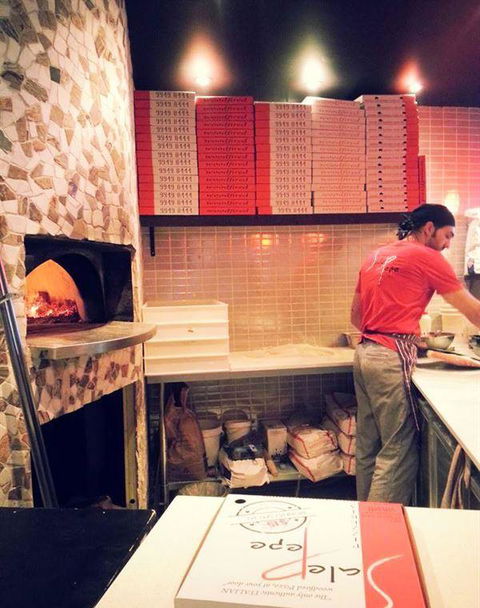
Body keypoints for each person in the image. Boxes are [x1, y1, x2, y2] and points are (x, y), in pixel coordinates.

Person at [350, 203, 480, 504]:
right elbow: (474, 312)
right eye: (447, 236)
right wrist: (401, 336)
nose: (448, 245)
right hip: (389, 359)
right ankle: (382, 527)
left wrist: (406, 333)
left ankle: (365, 520)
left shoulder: (375, 256)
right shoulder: (427, 257)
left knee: (369, 447)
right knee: (397, 451)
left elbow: (356, 317)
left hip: (365, 354)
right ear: (429, 228)